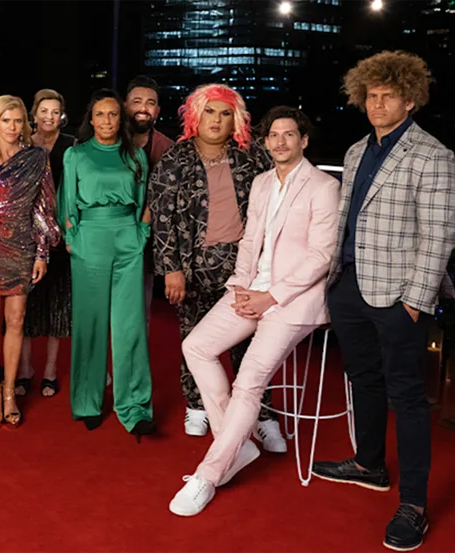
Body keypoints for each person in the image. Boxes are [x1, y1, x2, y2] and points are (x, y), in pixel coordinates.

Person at [311, 51, 455, 552]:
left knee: (408, 399)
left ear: (409, 100)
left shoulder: (433, 155)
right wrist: (334, 283)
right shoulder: (355, 152)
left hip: (399, 296)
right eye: (370, 96)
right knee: (362, 379)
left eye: (387, 96)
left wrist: (415, 302)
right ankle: (369, 464)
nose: (376, 104)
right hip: (350, 284)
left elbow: (439, 236)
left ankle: (413, 504)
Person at [169, 106, 340, 516]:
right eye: (273, 136)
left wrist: (271, 296)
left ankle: (210, 473)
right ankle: (239, 443)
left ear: (304, 140)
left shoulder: (323, 187)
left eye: (289, 135)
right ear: (265, 143)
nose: (280, 142)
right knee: (196, 346)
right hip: (252, 290)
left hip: (294, 301)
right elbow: (249, 242)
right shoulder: (263, 183)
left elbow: (322, 256)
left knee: (248, 383)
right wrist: (241, 286)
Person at [149, 84, 285, 453]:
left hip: (245, 266)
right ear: (196, 115)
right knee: (194, 339)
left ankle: (261, 413)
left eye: (225, 114)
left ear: (236, 121)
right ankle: (197, 405)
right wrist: (171, 269)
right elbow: (162, 219)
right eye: (210, 111)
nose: (217, 120)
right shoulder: (175, 161)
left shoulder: (252, 157)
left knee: (254, 347)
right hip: (193, 269)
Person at [60, 88, 154, 439]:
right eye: (100, 114)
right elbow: (67, 202)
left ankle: (134, 406)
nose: (107, 121)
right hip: (90, 241)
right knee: (90, 324)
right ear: (91, 118)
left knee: (130, 326)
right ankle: (87, 401)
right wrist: (73, 241)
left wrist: (141, 233)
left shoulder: (136, 156)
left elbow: (144, 201)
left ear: (122, 118)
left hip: (127, 239)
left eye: (113, 114)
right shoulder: (76, 155)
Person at [0, 95, 61, 429]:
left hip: (22, 245)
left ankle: (10, 392)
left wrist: (41, 252)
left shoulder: (37, 157)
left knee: (17, 320)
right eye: (6, 120)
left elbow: (44, 209)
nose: (12, 127)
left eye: (18, 121)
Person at [17, 89, 75, 398]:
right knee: (25, 306)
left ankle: (50, 370)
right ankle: (25, 369)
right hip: (25, 234)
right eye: (44, 111)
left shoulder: (71, 146)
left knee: (57, 305)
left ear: (61, 116)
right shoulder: (23, 144)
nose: (49, 117)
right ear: (34, 113)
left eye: (55, 111)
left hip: (61, 235)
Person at [125, 75, 173, 325]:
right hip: (107, 237)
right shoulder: (109, 142)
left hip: (146, 244)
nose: (143, 108)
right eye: (137, 102)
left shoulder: (168, 149)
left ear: (157, 111)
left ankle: (132, 364)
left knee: (139, 312)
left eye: (150, 103)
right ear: (125, 106)